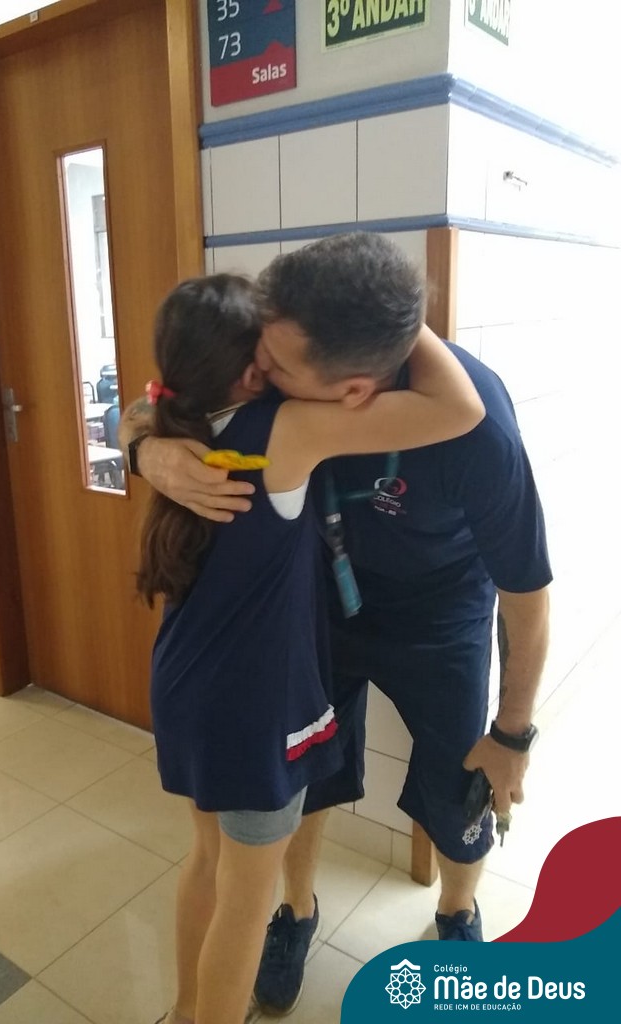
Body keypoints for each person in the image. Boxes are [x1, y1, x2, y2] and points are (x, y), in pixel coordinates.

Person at [125, 233, 552, 1018]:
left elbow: (527, 593)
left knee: (455, 779)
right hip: (301, 640)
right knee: (275, 837)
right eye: (258, 356)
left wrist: (513, 730)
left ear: (353, 388)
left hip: (421, 622)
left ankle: (456, 907)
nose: (264, 368)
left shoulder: (472, 434)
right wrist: (145, 450)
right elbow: (155, 402)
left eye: (277, 362)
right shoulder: (287, 411)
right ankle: (295, 912)